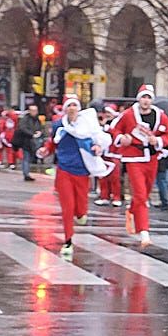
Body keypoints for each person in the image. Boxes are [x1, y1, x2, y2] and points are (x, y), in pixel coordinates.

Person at [109, 86, 168, 247]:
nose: (146, 101)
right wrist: (121, 137)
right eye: (143, 97)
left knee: (144, 193)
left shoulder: (160, 115)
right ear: (138, 98)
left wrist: (159, 141)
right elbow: (113, 128)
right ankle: (144, 233)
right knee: (140, 194)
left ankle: (131, 212)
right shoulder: (128, 114)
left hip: (152, 158)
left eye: (149, 98)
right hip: (133, 157)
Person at [48, 95, 108, 260]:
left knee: (80, 208)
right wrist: (45, 150)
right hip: (64, 170)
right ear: (65, 109)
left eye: (75, 105)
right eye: (69, 106)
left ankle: (81, 214)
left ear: (79, 109)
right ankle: (68, 241)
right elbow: (53, 142)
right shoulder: (59, 125)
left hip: (82, 171)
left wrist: (97, 147)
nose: (72, 108)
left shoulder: (86, 124)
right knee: (67, 207)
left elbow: (98, 139)